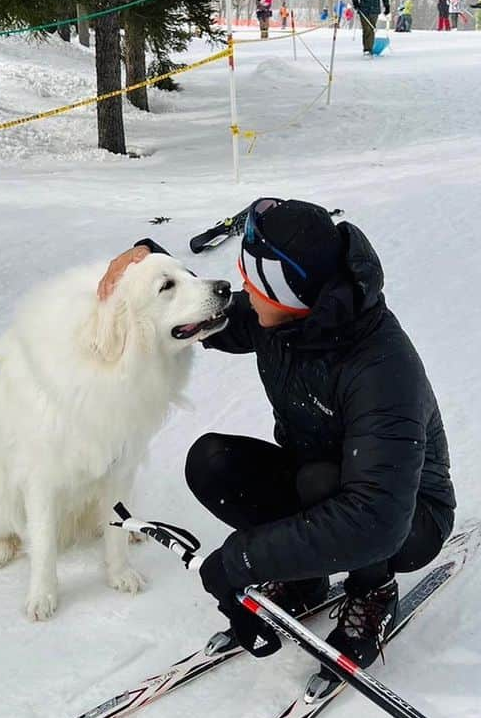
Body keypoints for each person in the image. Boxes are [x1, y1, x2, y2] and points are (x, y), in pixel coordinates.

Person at [98, 199, 456, 670]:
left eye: (253, 282)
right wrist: (148, 258)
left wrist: (243, 561)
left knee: (322, 485)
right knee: (212, 462)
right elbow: (205, 308)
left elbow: (376, 519)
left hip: (406, 516)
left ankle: (373, 589)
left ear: (286, 293)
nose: (243, 288)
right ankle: (304, 578)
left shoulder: (382, 369)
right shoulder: (288, 314)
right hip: (326, 480)